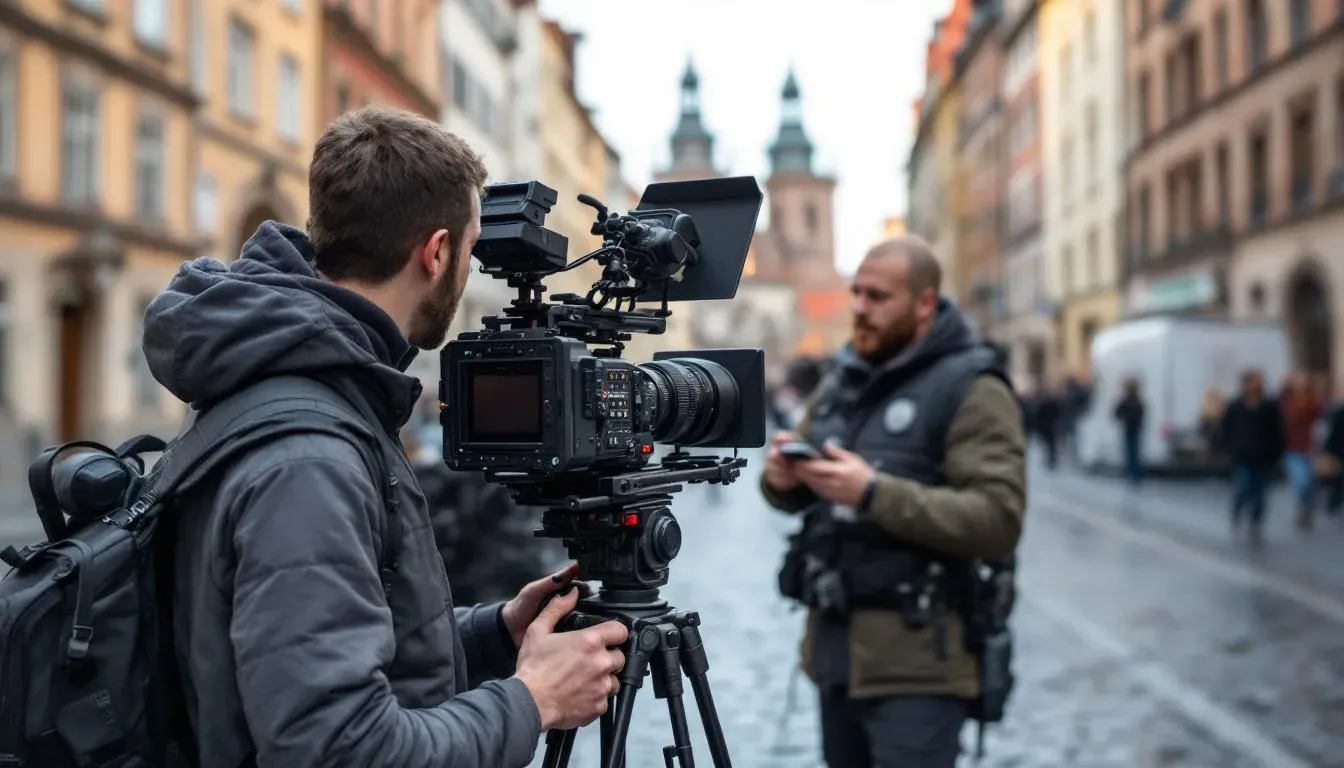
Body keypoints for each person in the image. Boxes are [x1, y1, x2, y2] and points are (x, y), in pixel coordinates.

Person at [142, 107, 628, 768]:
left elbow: (323, 653)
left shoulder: (285, 375)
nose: (467, 272)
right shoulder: (311, 460)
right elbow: (338, 749)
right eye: (470, 249)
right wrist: (532, 700)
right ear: (436, 252)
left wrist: (495, 634)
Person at [762, 236, 1027, 768]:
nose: (860, 307)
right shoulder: (843, 380)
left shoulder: (972, 387)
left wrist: (873, 493)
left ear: (925, 303)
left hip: (920, 668)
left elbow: (997, 520)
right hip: (835, 657)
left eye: (878, 296)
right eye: (857, 293)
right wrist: (782, 480)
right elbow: (793, 490)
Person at [1220, 369, 1286, 546]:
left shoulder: (1269, 406)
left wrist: (1277, 451)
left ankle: (1256, 523)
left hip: (1264, 457)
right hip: (1242, 456)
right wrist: (1230, 447)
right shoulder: (1236, 405)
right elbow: (1226, 428)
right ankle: (1237, 509)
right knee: (1243, 487)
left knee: (1260, 493)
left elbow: (1278, 430)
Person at [1280, 371, 1323, 530]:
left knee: (1311, 483)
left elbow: (1322, 423)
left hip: (1311, 448)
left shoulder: (1315, 403)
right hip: (1293, 448)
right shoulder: (1287, 402)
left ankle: (1307, 510)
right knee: (1301, 482)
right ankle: (1302, 509)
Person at [1113, 378, 1146, 496]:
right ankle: (1135, 476)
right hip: (1134, 431)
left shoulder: (1128, 401)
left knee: (1131, 453)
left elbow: (1117, 413)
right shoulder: (1136, 401)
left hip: (1130, 430)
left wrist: (1125, 419)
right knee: (1134, 453)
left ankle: (1132, 475)